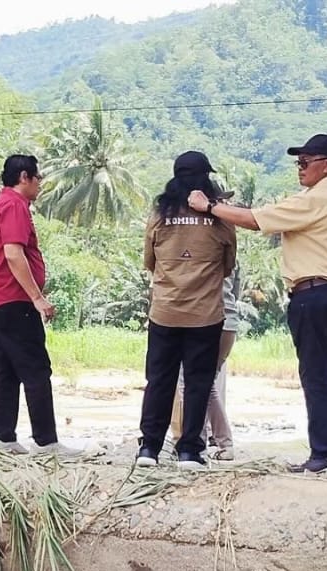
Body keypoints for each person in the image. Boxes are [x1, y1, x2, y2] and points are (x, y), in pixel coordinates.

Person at [190, 134, 327, 473]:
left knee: (315, 375)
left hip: (312, 293)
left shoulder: (315, 200)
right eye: (297, 163)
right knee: (326, 374)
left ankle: (325, 451)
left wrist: (209, 207)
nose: (299, 169)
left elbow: (256, 219)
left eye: (305, 163)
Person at [136, 151, 237, 470]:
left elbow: (149, 261)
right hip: (205, 315)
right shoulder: (219, 216)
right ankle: (190, 451)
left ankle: (149, 448)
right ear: (205, 180)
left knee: (160, 380)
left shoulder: (159, 214)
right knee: (197, 382)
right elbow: (227, 265)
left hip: (164, 312)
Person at [0, 155, 76, 456]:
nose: (40, 184)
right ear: (24, 177)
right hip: (13, 298)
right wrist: (37, 296)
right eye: (38, 178)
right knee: (35, 367)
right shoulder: (14, 206)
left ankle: (4, 437)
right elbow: (13, 254)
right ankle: (46, 441)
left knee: (6, 368)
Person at [167, 262, 243, 461]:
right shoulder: (229, 249)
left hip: (205, 319)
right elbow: (235, 289)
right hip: (228, 322)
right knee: (205, 385)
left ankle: (198, 444)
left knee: (190, 384)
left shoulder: (196, 250)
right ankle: (216, 442)